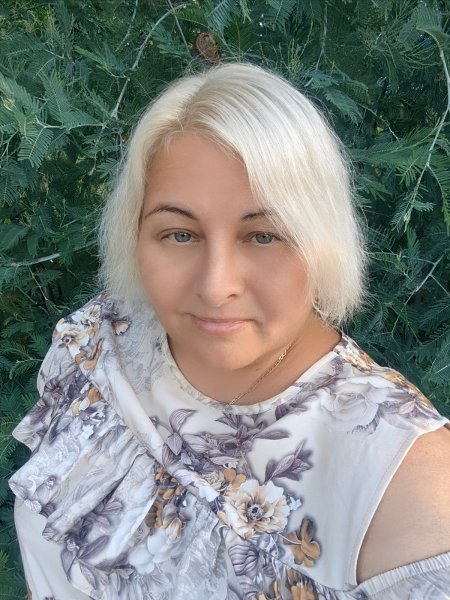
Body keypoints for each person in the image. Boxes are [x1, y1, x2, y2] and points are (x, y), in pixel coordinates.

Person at [9, 63, 450, 600]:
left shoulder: (408, 485)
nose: (217, 287)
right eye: (179, 234)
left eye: (264, 236)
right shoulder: (100, 343)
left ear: (324, 241)